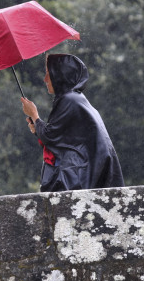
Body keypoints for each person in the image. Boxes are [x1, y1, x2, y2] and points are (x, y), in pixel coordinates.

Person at [20, 53, 124, 192]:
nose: (45, 79)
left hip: (80, 175)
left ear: (59, 75)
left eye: (48, 74)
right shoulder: (76, 99)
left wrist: (34, 114)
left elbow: (51, 136)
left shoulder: (69, 100)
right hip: (89, 170)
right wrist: (37, 126)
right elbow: (62, 138)